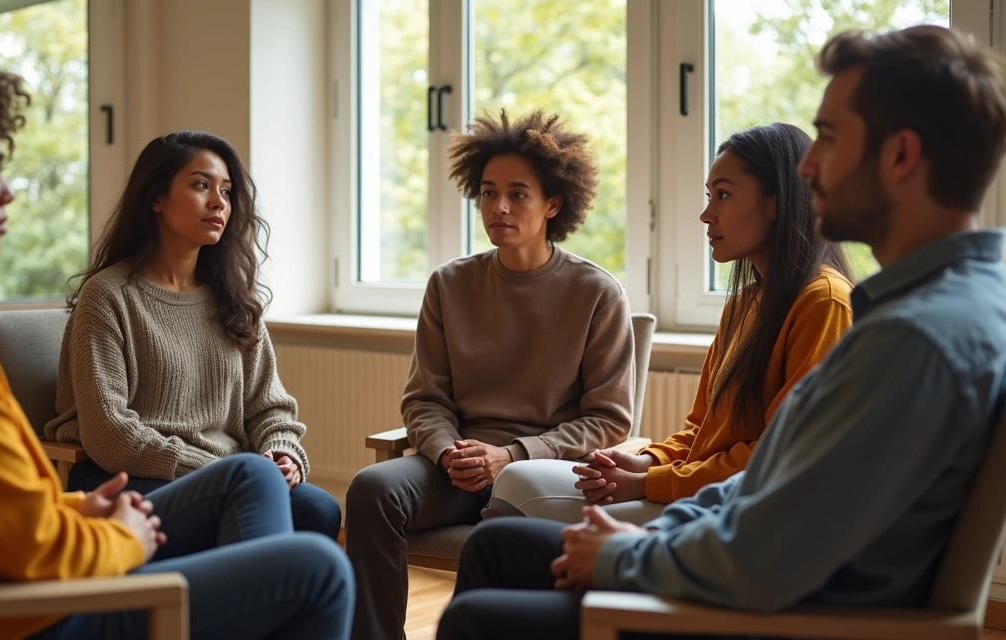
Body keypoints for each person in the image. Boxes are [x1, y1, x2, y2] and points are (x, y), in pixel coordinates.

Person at [437, 24, 1006, 640]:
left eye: (831, 139)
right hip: (759, 574)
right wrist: (652, 525)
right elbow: (772, 483)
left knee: (475, 615)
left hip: (787, 615)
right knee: (495, 546)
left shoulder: (913, 340)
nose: (809, 167)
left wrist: (628, 555)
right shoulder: (938, 307)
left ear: (900, 155)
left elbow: (773, 553)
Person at [0, 49, 352, 640]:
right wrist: (120, 534)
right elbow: (28, 548)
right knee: (318, 569)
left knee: (260, 484)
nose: (6, 193)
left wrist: (80, 512)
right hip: (20, 618)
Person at [346, 109, 637, 640]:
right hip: (455, 466)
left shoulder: (596, 293)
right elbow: (424, 399)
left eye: (518, 194)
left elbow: (609, 420)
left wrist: (512, 455)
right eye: (487, 192)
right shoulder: (449, 284)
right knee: (371, 489)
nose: (498, 207)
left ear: (553, 203)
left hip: (541, 474)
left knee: (507, 518)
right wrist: (448, 451)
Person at [487, 123, 854, 526]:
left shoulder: (824, 302)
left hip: (746, 511)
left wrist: (651, 482)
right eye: (709, 196)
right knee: (517, 483)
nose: (706, 214)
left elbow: (782, 454)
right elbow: (701, 431)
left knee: (520, 486)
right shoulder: (744, 305)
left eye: (724, 195)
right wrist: (646, 460)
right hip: (696, 490)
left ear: (777, 202)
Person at [43, 129, 341, 540]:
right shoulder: (108, 296)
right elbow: (109, 432)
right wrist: (220, 469)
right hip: (127, 476)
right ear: (156, 199)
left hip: (234, 475)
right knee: (245, 505)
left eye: (226, 190)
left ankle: (247, 596)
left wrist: (281, 452)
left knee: (318, 510)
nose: (219, 202)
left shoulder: (233, 298)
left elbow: (270, 408)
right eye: (201, 185)